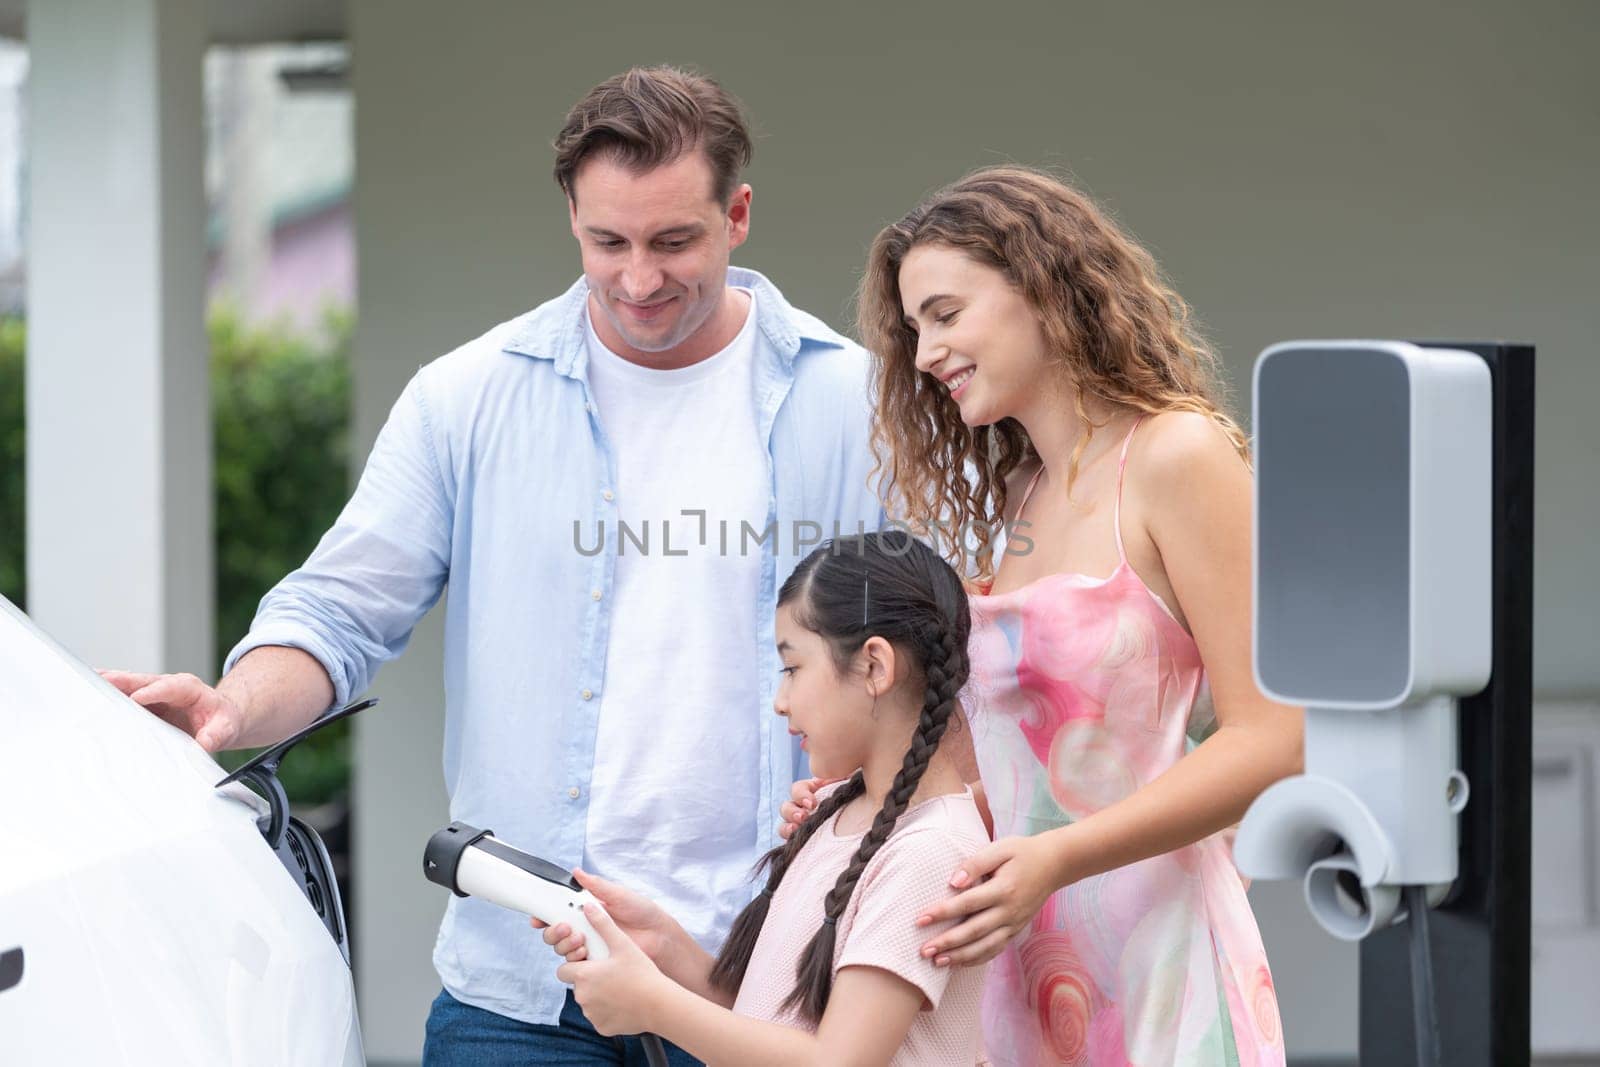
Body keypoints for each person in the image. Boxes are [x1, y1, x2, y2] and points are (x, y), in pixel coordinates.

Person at [100, 67, 884, 1065]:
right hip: (521, 983)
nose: (639, 278)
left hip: (760, 976)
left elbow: (934, 659)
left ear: (736, 214)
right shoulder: (464, 399)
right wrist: (229, 710)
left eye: (673, 241)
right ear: (571, 216)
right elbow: (340, 610)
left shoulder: (855, 404)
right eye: (609, 241)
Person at [787, 166, 1300, 1064]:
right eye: (912, 330)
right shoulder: (1014, 500)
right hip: (1024, 969)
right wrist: (869, 802)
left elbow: (1275, 735)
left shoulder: (1177, 456)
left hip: (1160, 967)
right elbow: (1034, 770)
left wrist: (1057, 859)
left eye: (946, 314)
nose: (923, 353)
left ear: (1044, 290)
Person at [536, 532, 989, 1066]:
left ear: (874, 667)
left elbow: (837, 1062)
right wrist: (663, 946)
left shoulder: (929, 853)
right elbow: (773, 1024)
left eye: (793, 668)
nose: (780, 702)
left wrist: (653, 1006)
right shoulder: (839, 811)